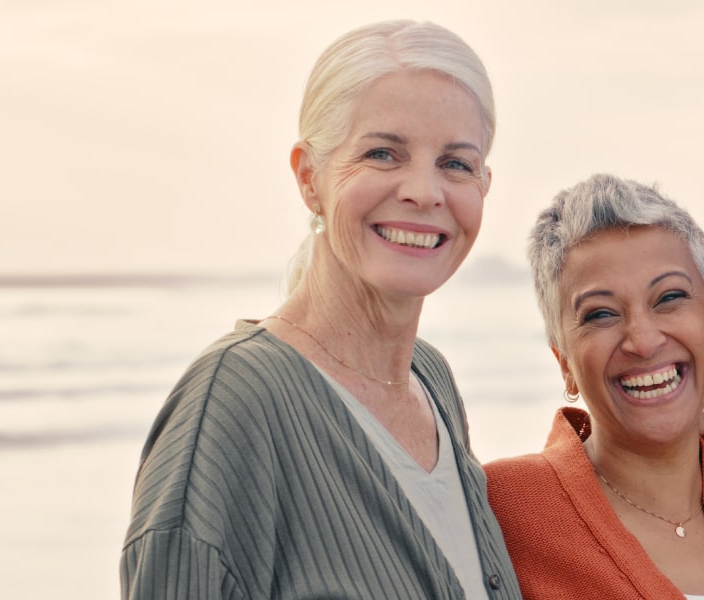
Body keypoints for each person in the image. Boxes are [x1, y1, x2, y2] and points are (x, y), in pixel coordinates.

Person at [120, 20, 519, 599]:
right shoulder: (232, 405)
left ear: (483, 184)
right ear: (310, 178)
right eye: (384, 153)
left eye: (455, 163)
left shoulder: (430, 381)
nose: (425, 191)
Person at [485, 174, 704, 600]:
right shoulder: (505, 507)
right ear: (563, 362)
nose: (643, 341)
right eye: (600, 315)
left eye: (668, 298)